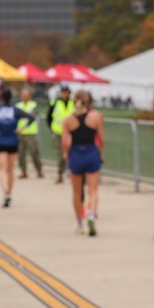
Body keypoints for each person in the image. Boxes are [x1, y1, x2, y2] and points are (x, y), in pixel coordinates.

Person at [60, 90, 105, 235]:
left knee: (77, 192)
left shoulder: (68, 120)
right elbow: (102, 140)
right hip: (91, 152)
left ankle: (80, 223)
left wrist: (66, 153)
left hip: (76, 154)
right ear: (88, 102)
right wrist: (100, 153)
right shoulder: (95, 118)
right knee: (93, 190)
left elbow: (64, 142)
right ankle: (92, 213)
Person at [0, 87, 34, 208]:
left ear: (1, 97)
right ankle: (9, 193)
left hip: (0, 141)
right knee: (10, 170)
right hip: (13, 141)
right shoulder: (16, 110)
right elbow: (32, 118)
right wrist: (22, 128)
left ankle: (6, 191)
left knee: (2, 169)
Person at [47, 84, 75, 184]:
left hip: (71, 133)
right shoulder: (55, 103)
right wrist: (51, 129)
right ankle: (60, 174)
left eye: (65, 92)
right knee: (60, 154)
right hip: (58, 131)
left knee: (71, 152)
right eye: (62, 92)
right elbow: (49, 117)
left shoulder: (73, 103)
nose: (64, 94)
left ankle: (72, 172)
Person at [15, 87, 43, 179]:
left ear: (30, 96)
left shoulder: (33, 105)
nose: (25, 97)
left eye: (27, 96)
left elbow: (32, 118)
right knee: (21, 154)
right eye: (23, 96)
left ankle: (39, 170)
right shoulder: (18, 105)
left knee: (34, 152)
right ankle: (23, 171)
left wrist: (24, 127)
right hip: (20, 133)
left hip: (31, 132)